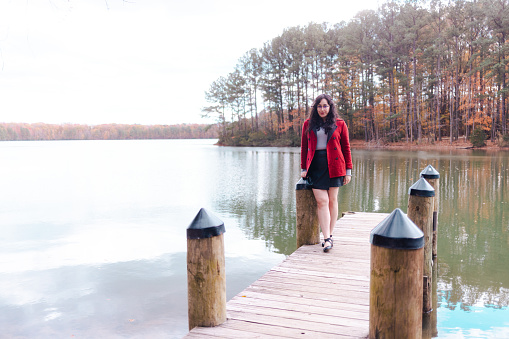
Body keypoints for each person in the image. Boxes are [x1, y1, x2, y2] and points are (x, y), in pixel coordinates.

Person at [300, 94, 352, 252]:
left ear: (330, 107)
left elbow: (346, 148)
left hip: (335, 164)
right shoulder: (308, 124)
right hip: (316, 165)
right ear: (316, 108)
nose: (322, 109)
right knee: (322, 201)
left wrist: (348, 171)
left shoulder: (340, 124)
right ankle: (327, 238)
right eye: (319, 106)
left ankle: (330, 235)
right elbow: (304, 147)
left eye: (325, 106)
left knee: (332, 200)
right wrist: (303, 168)